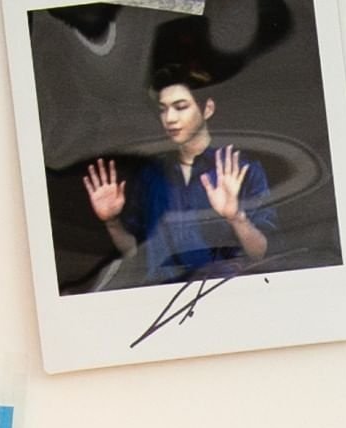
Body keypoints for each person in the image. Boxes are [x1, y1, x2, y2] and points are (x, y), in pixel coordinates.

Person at [82, 65, 276, 287]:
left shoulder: (242, 170)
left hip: (223, 293)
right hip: (161, 297)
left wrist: (236, 217)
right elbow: (133, 250)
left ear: (208, 109)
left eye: (180, 107)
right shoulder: (151, 175)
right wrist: (112, 221)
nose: (169, 118)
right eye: (163, 109)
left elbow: (261, 253)